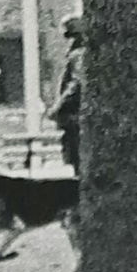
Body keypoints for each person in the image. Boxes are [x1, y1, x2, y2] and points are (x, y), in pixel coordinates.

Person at [48, 16, 84, 174]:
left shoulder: (77, 55)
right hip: (75, 115)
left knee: (77, 156)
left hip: (75, 114)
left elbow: (75, 83)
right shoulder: (78, 53)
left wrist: (57, 107)